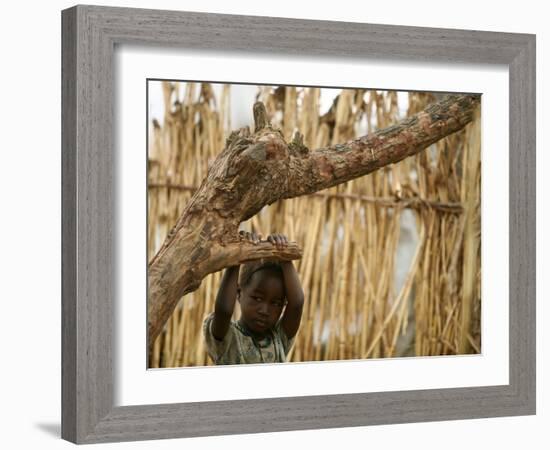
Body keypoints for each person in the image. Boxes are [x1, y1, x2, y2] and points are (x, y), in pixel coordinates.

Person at [202, 231, 304, 365]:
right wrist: (237, 256)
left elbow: (297, 303)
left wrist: (284, 256)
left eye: (275, 303)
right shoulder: (227, 339)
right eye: (257, 298)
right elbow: (224, 310)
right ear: (238, 293)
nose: (264, 310)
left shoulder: (279, 338)